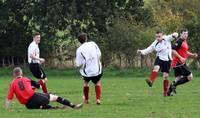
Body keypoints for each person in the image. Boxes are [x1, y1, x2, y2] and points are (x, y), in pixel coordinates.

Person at [5, 67, 83, 110]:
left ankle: (56, 108)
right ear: (21, 73)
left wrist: (8, 109)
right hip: (34, 98)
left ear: (13, 75)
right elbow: (39, 87)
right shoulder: (26, 79)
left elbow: (9, 99)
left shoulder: (12, 83)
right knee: (55, 97)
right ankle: (74, 106)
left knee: (42, 106)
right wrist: (35, 86)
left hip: (28, 105)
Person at [137, 31, 178, 96]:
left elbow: (174, 34)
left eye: (159, 37)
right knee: (156, 67)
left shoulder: (167, 38)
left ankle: (165, 92)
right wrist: (141, 51)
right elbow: (149, 49)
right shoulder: (155, 43)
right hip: (159, 58)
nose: (158, 38)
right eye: (156, 37)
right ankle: (151, 81)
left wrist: (175, 35)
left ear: (162, 36)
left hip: (167, 59)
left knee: (165, 76)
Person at [167, 29, 198, 96]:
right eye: (184, 33)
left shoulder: (184, 41)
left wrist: (192, 55)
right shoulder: (179, 41)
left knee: (178, 78)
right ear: (181, 34)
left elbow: (185, 52)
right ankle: (174, 85)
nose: (185, 35)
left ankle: (169, 92)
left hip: (181, 63)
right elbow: (173, 50)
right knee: (190, 77)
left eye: (186, 34)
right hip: (178, 63)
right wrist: (180, 57)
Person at [75, 32, 103, 105]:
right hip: (97, 70)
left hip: (86, 72)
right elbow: (99, 54)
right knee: (97, 82)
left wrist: (81, 66)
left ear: (79, 41)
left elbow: (78, 63)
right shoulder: (93, 44)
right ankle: (98, 99)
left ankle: (86, 100)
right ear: (86, 38)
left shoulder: (79, 50)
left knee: (86, 83)